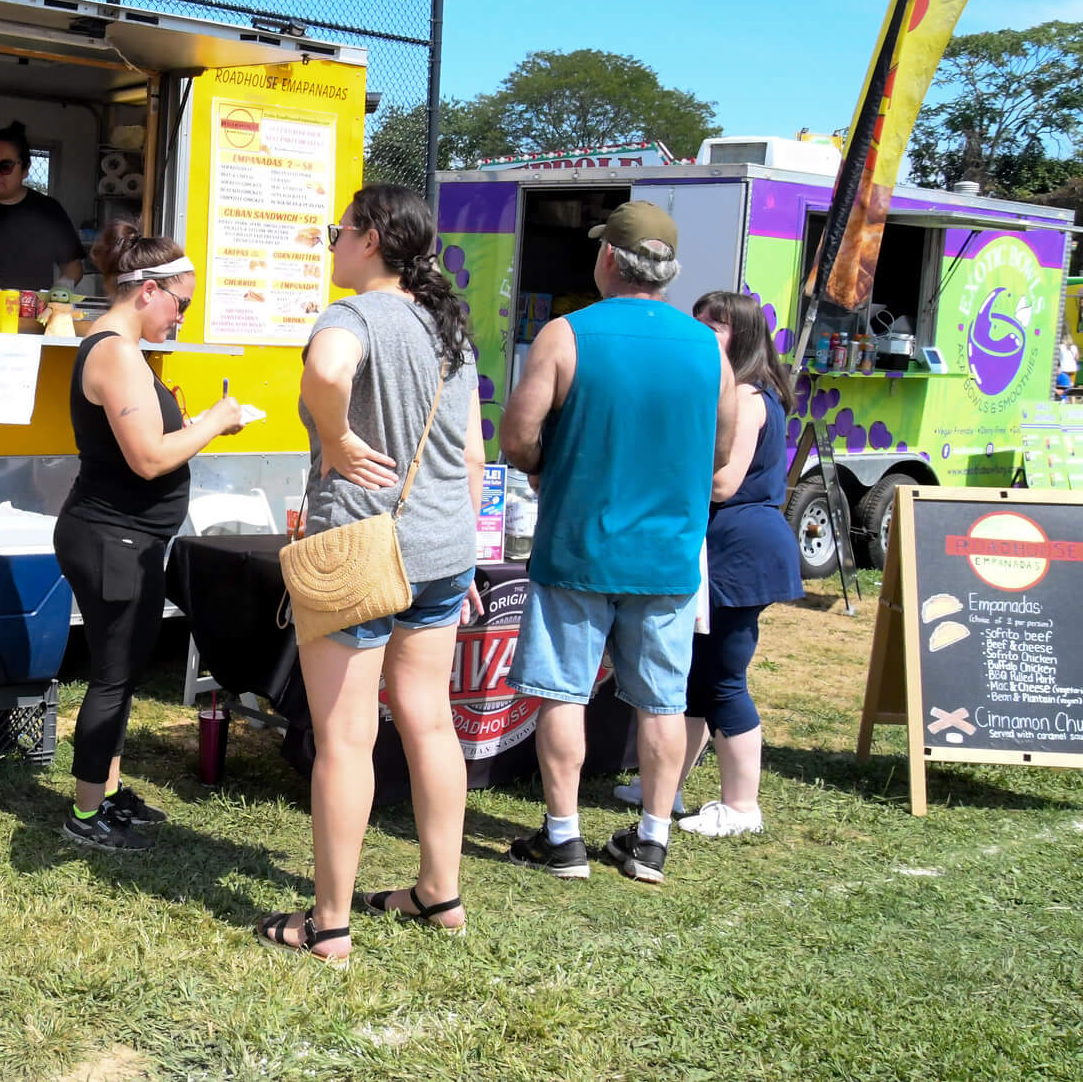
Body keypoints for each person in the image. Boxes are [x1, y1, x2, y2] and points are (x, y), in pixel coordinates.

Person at [255, 185, 486, 965]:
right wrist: (464, 548)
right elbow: (471, 459)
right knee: (428, 720)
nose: (332, 244)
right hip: (442, 551)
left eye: (336, 231)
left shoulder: (349, 317)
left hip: (358, 550)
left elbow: (325, 369)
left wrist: (336, 435)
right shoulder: (449, 326)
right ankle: (440, 891)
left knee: (346, 738)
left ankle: (329, 923)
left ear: (372, 237)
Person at [498, 201, 736, 886]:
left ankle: (564, 836)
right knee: (662, 699)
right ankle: (653, 840)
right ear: (669, 270)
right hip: (667, 550)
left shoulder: (566, 335)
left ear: (608, 258)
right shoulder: (708, 347)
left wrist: (553, 466)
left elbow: (517, 438)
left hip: (579, 542)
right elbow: (719, 451)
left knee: (562, 691)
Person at [56, 223, 243, 853]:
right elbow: (147, 459)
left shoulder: (123, 351)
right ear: (147, 291)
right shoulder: (115, 352)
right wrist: (214, 422)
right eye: (180, 304)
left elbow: (151, 441)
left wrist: (199, 426)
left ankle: (105, 795)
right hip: (112, 537)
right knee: (112, 674)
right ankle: (84, 815)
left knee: (125, 669)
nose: (182, 318)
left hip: (126, 536)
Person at [670, 290, 802, 837]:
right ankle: (668, 784)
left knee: (725, 678)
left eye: (716, 325)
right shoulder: (741, 393)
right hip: (732, 548)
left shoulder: (748, 398)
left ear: (743, 336)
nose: (703, 330)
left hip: (741, 550)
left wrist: (664, 465)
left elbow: (724, 483)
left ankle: (743, 806)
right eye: (698, 320)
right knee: (700, 676)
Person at [0, 121, 85, 290]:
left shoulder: (48, 211)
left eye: (5, 167)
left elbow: (73, 266)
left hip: (29, 310)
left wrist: (62, 289)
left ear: (25, 169)